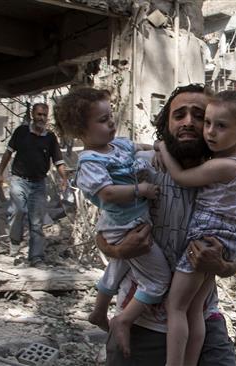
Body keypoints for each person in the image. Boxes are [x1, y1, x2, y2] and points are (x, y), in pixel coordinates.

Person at [95, 84, 236, 365]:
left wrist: (221, 266)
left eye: (199, 116)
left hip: (202, 322)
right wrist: (121, 250)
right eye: (179, 115)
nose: (188, 122)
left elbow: (235, 257)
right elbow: (103, 234)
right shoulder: (138, 167)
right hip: (141, 323)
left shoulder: (225, 177)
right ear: (166, 124)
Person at [54, 88, 167, 356]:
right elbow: (106, 192)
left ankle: (99, 310)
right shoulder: (91, 161)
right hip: (124, 225)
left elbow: (141, 147)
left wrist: (159, 146)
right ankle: (124, 319)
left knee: (118, 268)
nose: (111, 124)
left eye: (111, 117)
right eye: (103, 121)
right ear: (82, 130)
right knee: (158, 279)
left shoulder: (118, 146)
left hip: (126, 222)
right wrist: (140, 190)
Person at [157, 90, 236, 366]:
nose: (209, 132)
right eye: (208, 123)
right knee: (193, 308)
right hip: (222, 234)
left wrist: (162, 148)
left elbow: (183, 177)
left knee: (176, 306)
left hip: (206, 237)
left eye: (218, 125)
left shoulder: (221, 165)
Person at [0, 103, 68, 266]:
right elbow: (8, 153)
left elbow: (58, 161)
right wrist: (0, 173)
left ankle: (36, 257)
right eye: (39, 114)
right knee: (19, 210)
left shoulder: (50, 138)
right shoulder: (21, 132)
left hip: (38, 184)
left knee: (36, 222)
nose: (42, 118)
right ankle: (15, 241)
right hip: (18, 180)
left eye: (44, 115)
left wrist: (64, 178)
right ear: (32, 114)